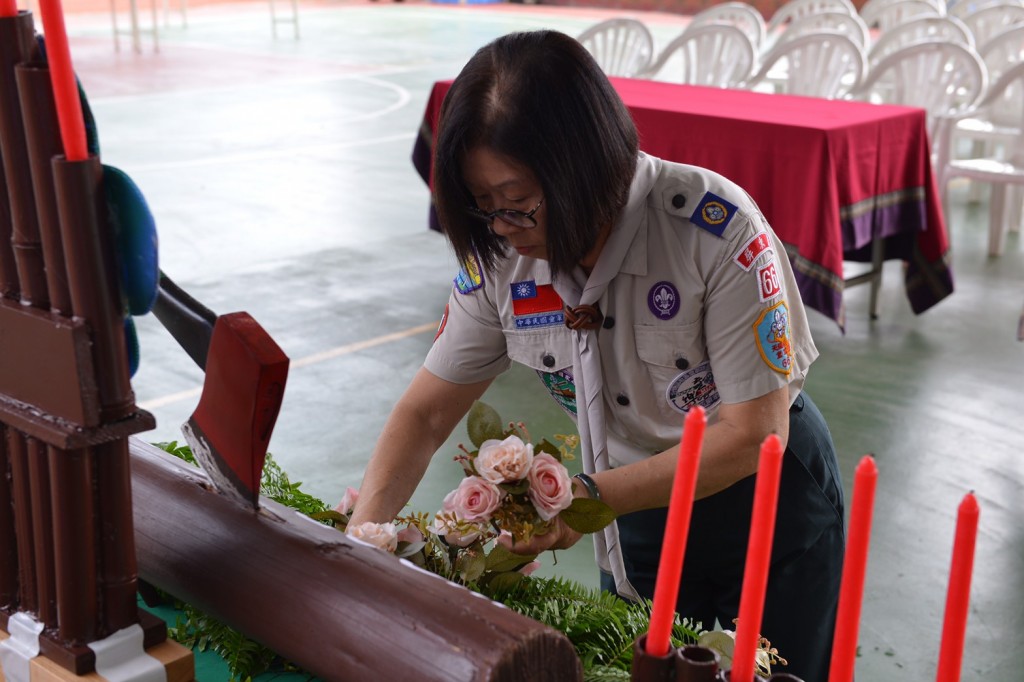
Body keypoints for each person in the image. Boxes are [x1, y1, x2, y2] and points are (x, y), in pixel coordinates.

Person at [345, 29, 845, 681]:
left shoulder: (716, 233)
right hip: (637, 496)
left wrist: (586, 497)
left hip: (765, 504)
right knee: (638, 666)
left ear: (588, 166)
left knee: (764, 671)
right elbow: (426, 415)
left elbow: (754, 435)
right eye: (483, 206)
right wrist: (358, 545)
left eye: (519, 205)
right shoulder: (503, 258)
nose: (502, 229)